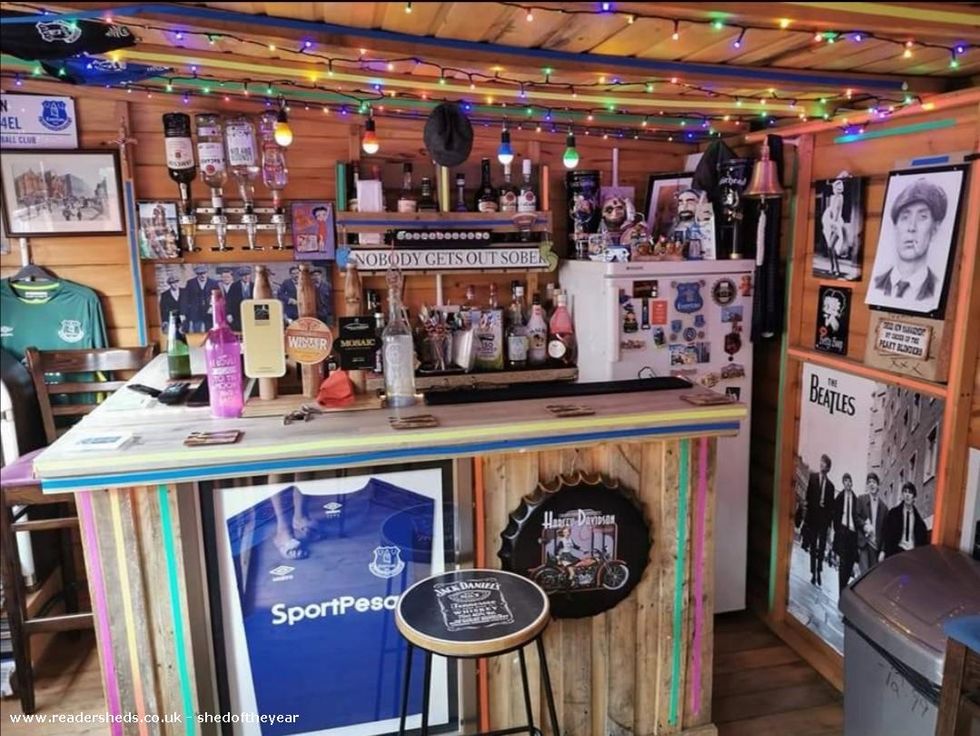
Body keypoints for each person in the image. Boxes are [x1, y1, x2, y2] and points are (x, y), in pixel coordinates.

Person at [871, 178, 947, 304]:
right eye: (905, 217)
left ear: (935, 229)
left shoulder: (937, 289)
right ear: (895, 227)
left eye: (922, 217)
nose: (911, 227)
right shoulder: (877, 284)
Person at [803, 454, 835, 586]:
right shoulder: (813, 478)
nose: (822, 464)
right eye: (821, 461)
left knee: (821, 547)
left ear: (828, 467)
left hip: (823, 519)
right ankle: (813, 573)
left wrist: (829, 524)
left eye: (824, 463)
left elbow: (831, 508)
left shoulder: (831, 486)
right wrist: (807, 518)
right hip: (813, 517)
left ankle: (819, 569)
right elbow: (808, 498)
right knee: (812, 545)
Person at [882, 482, 929, 558]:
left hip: (912, 554)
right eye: (905, 492)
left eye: (910, 493)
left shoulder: (919, 522)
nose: (907, 495)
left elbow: (923, 541)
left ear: (914, 497)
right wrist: (883, 551)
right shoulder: (893, 514)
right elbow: (886, 534)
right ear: (902, 495)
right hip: (896, 553)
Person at [832, 473, 860, 596]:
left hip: (852, 534)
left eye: (849, 481)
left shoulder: (855, 499)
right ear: (843, 483)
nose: (848, 483)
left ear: (852, 483)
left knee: (849, 565)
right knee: (843, 564)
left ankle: (844, 587)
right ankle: (841, 593)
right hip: (843, 532)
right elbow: (835, 515)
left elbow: (858, 516)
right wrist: (838, 530)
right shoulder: (839, 497)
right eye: (845, 481)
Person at [855, 472, 888, 573]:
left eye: (874, 482)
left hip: (876, 548)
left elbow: (885, 532)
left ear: (878, 485)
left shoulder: (884, 508)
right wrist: (864, 525)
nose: (871, 484)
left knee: (872, 577)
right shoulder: (861, 499)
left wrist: (883, 550)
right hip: (864, 543)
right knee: (864, 573)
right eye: (869, 482)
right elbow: (855, 517)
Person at [821, 179, 847, 277]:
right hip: (830, 222)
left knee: (832, 247)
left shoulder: (840, 197)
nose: (835, 190)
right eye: (834, 188)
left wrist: (834, 224)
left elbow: (837, 212)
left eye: (836, 188)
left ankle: (837, 269)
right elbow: (831, 211)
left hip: (836, 224)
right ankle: (832, 268)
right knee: (829, 248)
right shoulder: (832, 198)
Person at [181, 265, 218, 332]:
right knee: (196, 329)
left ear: (207, 273)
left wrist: (212, 307)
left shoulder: (213, 283)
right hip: (196, 311)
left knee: (210, 329)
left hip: (209, 310)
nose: (202, 275)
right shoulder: (190, 283)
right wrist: (183, 312)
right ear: (197, 274)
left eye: (204, 273)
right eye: (200, 274)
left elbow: (216, 296)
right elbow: (185, 298)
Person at [226, 267, 253, 333]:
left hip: (251, 314)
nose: (246, 277)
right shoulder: (234, 286)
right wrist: (229, 313)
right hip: (237, 314)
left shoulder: (254, 286)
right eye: (244, 275)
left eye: (248, 275)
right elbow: (229, 301)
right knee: (238, 331)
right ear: (240, 277)